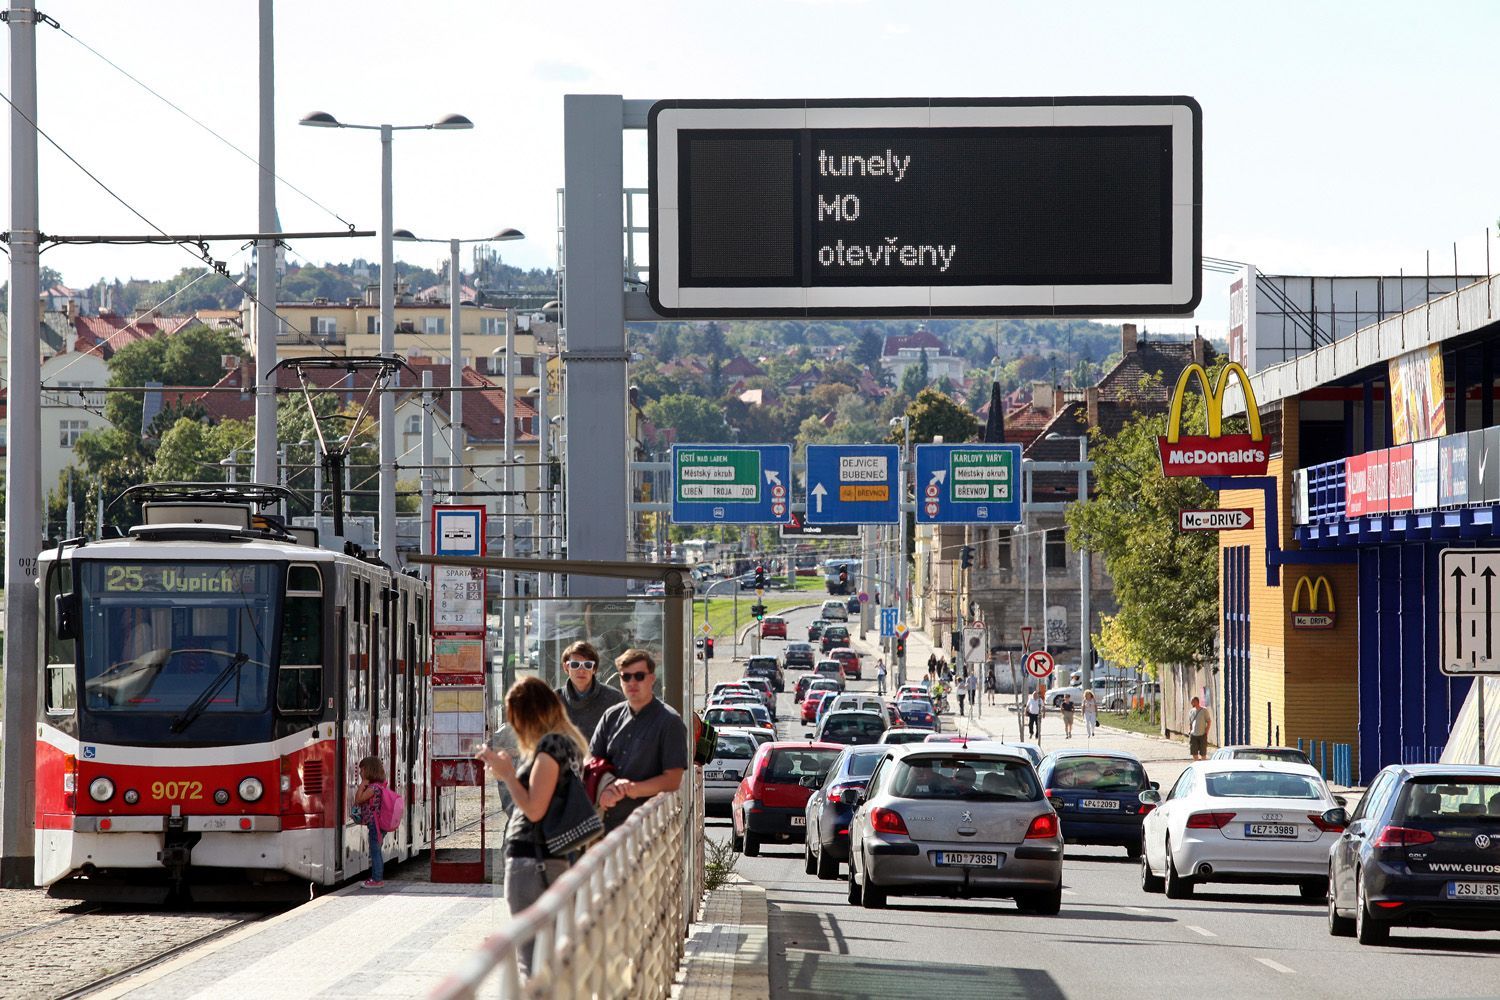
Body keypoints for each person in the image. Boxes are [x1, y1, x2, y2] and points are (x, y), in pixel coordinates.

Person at [475, 678, 589, 978]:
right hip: (551, 858)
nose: (514, 726)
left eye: (515, 718)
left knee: (532, 963)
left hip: (533, 861)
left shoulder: (550, 745)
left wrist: (508, 776)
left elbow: (535, 808)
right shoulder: (569, 742)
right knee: (551, 959)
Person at [590, 649, 689, 832]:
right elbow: (592, 761)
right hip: (607, 825)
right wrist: (607, 788)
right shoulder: (611, 716)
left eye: (639, 676)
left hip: (649, 830)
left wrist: (630, 789)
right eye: (626, 677)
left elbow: (673, 780)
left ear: (652, 678)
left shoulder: (670, 721)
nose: (632, 682)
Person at [554, 640, 626, 741]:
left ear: (594, 669)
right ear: (566, 667)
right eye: (575, 664)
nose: (581, 670)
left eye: (587, 665)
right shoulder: (553, 700)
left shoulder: (614, 699)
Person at [353, 756, 390, 888]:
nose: (360, 773)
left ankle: (377, 879)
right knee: (376, 850)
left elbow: (359, 800)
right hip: (378, 824)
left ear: (368, 770)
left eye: (362, 770)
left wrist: (362, 786)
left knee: (375, 851)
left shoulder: (373, 788)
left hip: (375, 824)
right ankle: (376, 877)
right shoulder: (379, 786)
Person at [1186, 696, 1212, 760]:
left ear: (1196, 702)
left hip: (1202, 734)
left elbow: (1209, 721)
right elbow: (1190, 722)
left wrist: (1206, 731)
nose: (1191, 703)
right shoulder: (1191, 711)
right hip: (1193, 735)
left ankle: (1203, 767)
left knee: (1203, 753)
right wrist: (1190, 730)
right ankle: (1196, 764)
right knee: (1194, 753)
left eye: (1192, 702)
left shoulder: (1204, 710)